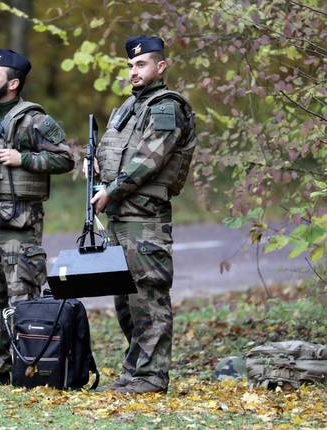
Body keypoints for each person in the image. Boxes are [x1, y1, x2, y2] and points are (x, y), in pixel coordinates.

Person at [0, 48, 75, 386]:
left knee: (22, 299)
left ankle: (30, 369)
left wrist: (24, 159)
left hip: (19, 225)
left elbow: (65, 159)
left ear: (14, 82)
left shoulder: (35, 119)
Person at [90, 35, 196, 394]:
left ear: (160, 66)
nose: (133, 71)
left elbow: (150, 160)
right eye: (131, 65)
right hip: (121, 217)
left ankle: (152, 376)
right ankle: (135, 372)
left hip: (145, 217)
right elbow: (113, 154)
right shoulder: (127, 108)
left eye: (141, 64)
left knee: (148, 296)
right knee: (126, 301)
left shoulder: (167, 107)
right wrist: (96, 169)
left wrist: (112, 189)